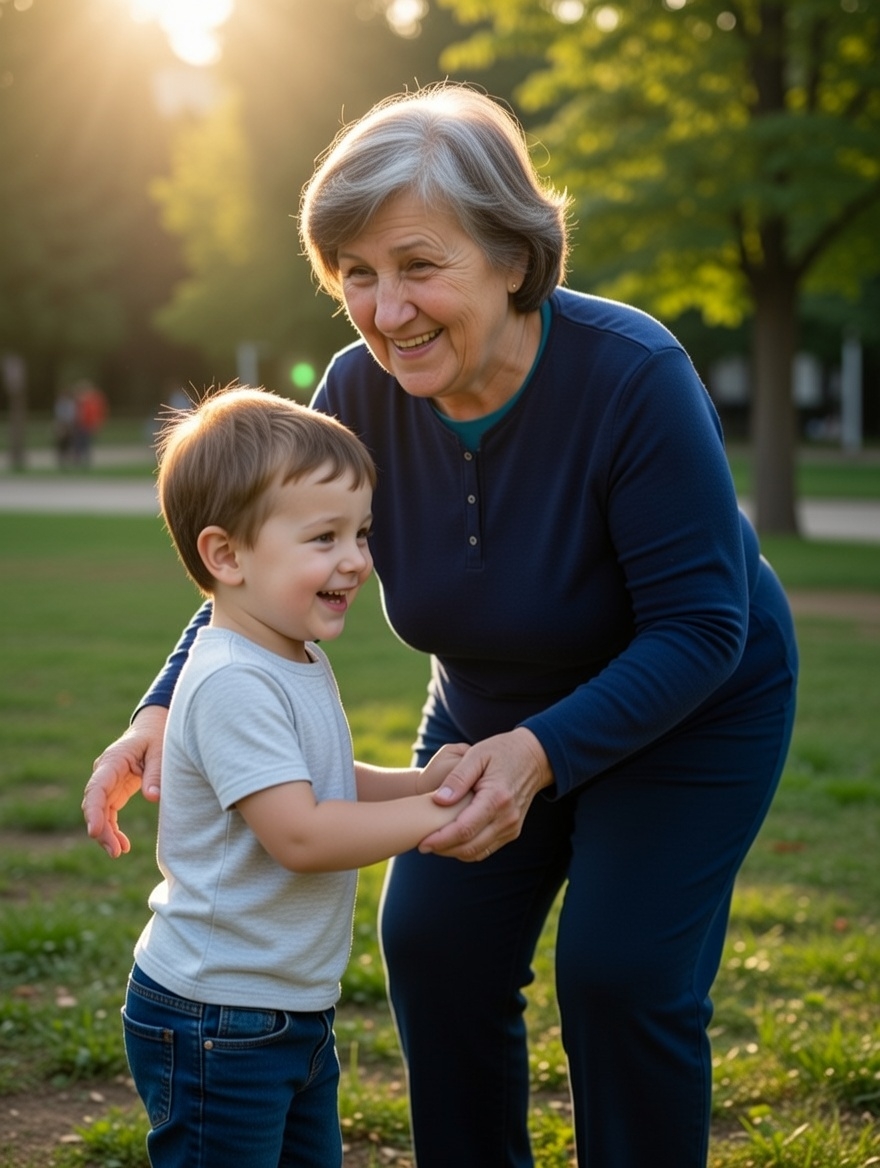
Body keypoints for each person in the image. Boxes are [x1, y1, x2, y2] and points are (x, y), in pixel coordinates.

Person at [83, 84, 799, 1168]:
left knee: (618, 972)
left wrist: (543, 755)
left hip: (691, 710)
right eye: (356, 275)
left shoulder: (631, 376)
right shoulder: (356, 389)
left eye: (418, 266)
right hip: (487, 706)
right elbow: (258, 554)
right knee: (432, 944)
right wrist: (162, 702)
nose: (385, 310)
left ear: (513, 256)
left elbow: (703, 625)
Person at [115, 384, 469, 1168]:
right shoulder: (233, 679)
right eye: (324, 539)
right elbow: (302, 834)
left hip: (284, 1010)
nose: (356, 560)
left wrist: (418, 784)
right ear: (227, 555)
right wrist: (437, 818)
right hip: (219, 1017)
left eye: (362, 533)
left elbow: (319, 781)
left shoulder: (290, 655)